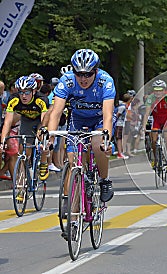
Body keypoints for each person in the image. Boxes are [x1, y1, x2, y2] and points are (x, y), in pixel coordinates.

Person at [47, 49, 115, 208]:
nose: (83, 78)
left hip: (99, 119)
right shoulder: (67, 81)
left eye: (88, 74)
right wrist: (50, 137)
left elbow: (108, 116)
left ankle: (104, 180)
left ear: (96, 71)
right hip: (77, 119)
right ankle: (74, 209)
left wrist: (106, 140)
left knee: (98, 144)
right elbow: (56, 113)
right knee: (72, 160)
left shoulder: (105, 81)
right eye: (79, 74)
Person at [0, 76, 50, 198]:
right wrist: (3, 141)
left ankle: (43, 162)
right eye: (21, 92)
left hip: (40, 120)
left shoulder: (41, 99)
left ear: (33, 91)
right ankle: (21, 188)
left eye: (27, 92)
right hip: (26, 120)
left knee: (42, 137)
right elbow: (7, 122)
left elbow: (44, 120)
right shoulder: (13, 100)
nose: (23, 96)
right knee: (23, 153)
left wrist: (41, 132)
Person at [141, 80, 167, 173]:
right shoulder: (151, 98)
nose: (158, 93)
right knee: (154, 140)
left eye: (160, 90)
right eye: (156, 90)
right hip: (157, 121)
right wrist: (143, 126)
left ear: (164, 90)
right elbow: (147, 113)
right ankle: (155, 159)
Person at [115, 93, 131, 159]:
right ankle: (119, 153)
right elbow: (117, 115)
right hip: (119, 124)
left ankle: (121, 152)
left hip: (122, 124)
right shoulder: (122, 107)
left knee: (121, 138)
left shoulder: (124, 106)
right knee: (119, 138)